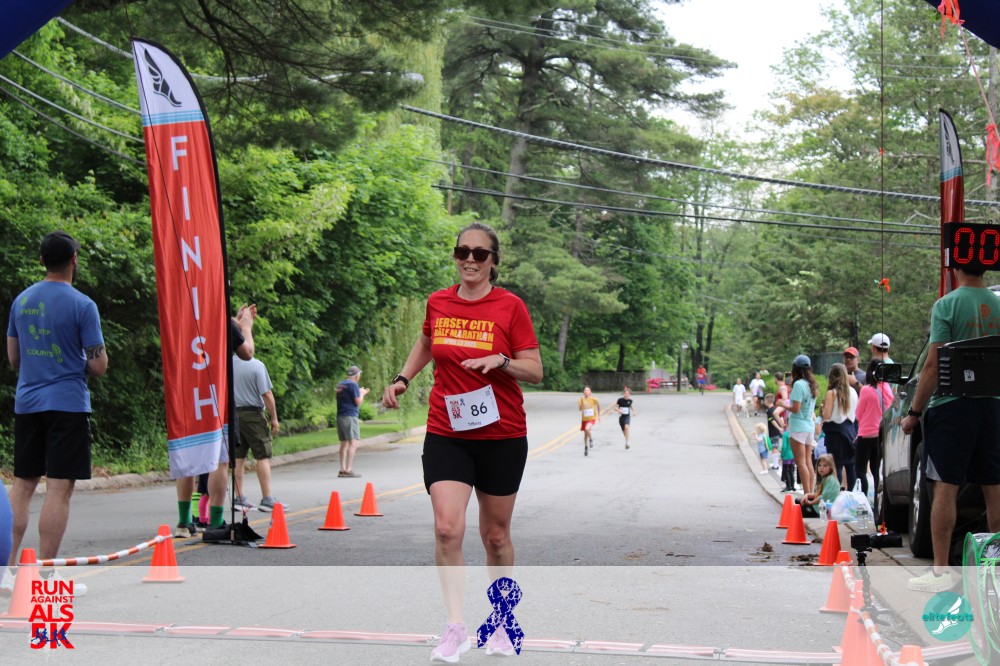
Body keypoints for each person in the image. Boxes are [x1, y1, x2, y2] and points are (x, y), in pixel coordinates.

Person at [381, 222, 542, 662]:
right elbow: (426, 342)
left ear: (493, 261)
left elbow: (535, 369)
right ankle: (455, 628)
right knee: (447, 528)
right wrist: (402, 378)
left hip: (501, 435)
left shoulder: (510, 306)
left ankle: (503, 622)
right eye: (462, 251)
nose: (469, 259)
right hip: (447, 431)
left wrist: (502, 361)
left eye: (479, 253)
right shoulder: (439, 302)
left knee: (496, 535)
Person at [4, 231, 107, 595]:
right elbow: (98, 365)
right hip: (67, 405)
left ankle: (5, 571)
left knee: (23, 484)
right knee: (59, 488)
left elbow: (14, 359)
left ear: (42, 260)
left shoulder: (22, 300)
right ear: (74, 259)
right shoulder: (83, 305)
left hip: (28, 404)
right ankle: (43, 578)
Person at [901, 266, 1000, 592]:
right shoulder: (998, 305)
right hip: (992, 405)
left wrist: (914, 413)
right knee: (994, 486)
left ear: (956, 266)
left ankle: (941, 573)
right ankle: (997, 567)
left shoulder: (946, 305)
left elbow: (932, 365)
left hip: (952, 406)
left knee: (945, 486)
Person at [174, 304, 255, 538]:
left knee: (187, 458)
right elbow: (247, 353)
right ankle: (216, 522)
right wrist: (246, 327)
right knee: (220, 460)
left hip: (188, 394)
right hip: (217, 396)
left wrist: (236, 323)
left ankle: (184, 522)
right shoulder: (223, 322)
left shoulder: (181, 319)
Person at [232, 353, 284, 512]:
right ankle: (267, 498)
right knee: (262, 456)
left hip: (233, 415)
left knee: (238, 457)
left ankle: (238, 497)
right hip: (253, 415)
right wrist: (274, 418)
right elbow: (266, 393)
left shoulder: (227, 364)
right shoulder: (256, 365)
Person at [854, 358, 894, 499]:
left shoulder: (866, 390)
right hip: (880, 435)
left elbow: (858, 414)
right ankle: (877, 502)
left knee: (860, 471)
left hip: (865, 435)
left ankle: (863, 499)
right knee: (876, 470)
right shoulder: (887, 389)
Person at [819, 363, 858, 491]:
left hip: (835, 433)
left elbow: (827, 415)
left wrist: (823, 409)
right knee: (850, 466)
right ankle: (851, 493)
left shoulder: (832, 393)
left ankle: (836, 493)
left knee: (836, 466)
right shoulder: (853, 391)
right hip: (850, 431)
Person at [784, 355, 818, 496]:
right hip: (809, 426)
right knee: (808, 461)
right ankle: (811, 494)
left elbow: (796, 408)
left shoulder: (798, 384)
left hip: (798, 426)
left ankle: (806, 494)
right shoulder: (812, 384)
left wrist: (783, 405)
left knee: (801, 462)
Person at [336, 365, 369, 478]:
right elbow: (358, 402)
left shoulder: (341, 384)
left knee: (344, 443)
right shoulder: (353, 385)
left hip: (340, 416)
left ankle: (342, 468)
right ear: (357, 375)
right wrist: (362, 393)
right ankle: (348, 469)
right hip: (350, 415)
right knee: (353, 442)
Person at [579, 386, 601, 455]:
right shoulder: (581, 400)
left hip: (592, 418)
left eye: (588, 390)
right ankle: (586, 447)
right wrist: (582, 403)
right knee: (585, 434)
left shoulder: (594, 399)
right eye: (585, 390)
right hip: (584, 418)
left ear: (590, 392)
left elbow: (598, 406)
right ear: (583, 392)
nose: (586, 391)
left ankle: (591, 439)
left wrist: (599, 415)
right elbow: (580, 409)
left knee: (587, 429)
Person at [764, 394, 784, 470]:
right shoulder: (775, 409)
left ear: (767, 401)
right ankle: (776, 464)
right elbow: (781, 418)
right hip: (777, 431)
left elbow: (772, 420)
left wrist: (779, 428)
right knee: (776, 447)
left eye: (765, 400)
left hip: (773, 431)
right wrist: (781, 427)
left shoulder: (769, 411)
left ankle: (775, 465)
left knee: (774, 447)